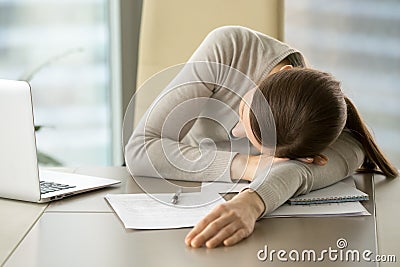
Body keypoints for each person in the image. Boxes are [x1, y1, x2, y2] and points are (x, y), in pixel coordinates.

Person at [125, 26, 398, 248]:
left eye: (258, 144)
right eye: (246, 106)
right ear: (284, 73)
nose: (236, 131)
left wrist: (253, 201)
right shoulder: (230, 48)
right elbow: (140, 151)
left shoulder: (332, 136)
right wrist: (251, 165)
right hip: (179, 194)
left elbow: (303, 172)